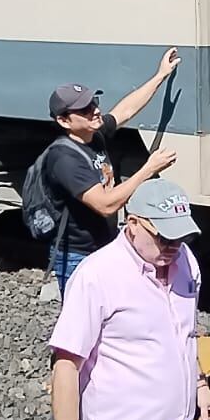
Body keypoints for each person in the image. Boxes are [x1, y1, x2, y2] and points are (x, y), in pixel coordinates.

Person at [49, 179, 210, 420]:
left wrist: (201, 385)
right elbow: (65, 365)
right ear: (133, 224)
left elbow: (185, 334)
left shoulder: (185, 262)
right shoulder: (97, 276)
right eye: (164, 238)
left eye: (181, 238)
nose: (173, 247)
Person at [40, 50, 182, 288]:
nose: (95, 110)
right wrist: (148, 169)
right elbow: (106, 205)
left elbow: (125, 110)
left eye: (94, 103)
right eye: (84, 109)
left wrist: (160, 76)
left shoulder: (93, 135)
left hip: (105, 245)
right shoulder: (65, 159)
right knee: (84, 312)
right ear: (64, 121)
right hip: (79, 255)